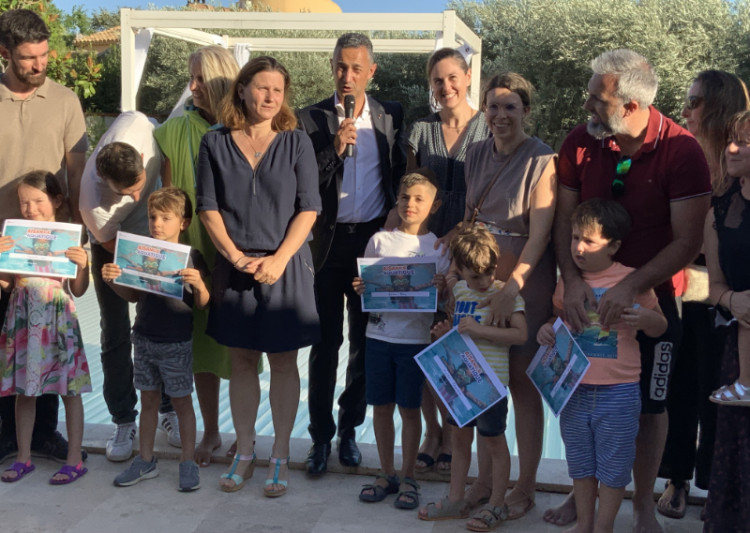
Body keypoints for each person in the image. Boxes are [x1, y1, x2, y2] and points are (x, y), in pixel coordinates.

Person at [549, 49, 711, 532]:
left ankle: (641, 504)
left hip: (653, 299)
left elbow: (689, 239)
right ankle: (584, 503)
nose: (587, 107)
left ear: (632, 106)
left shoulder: (683, 151)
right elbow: (565, 221)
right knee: (580, 401)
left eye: (598, 100)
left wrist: (632, 285)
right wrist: (573, 280)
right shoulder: (581, 142)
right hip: (585, 295)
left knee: (648, 404)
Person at [197, 56, 320, 497]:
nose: (270, 97)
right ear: (243, 90)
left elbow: (310, 207)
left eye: (278, 91)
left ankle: (281, 454)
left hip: (285, 268)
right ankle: (245, 452)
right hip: (235, 269)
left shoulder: (296, 143)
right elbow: (207, 207)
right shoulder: (214, 144)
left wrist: (280, 259)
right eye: (262, 88)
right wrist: (232, 256)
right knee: (243, 361)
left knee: (284, 362)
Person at [440, 71, 557, 519]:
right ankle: (484, 484)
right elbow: (471, 219)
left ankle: (523, 487)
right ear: (483, 109)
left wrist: (515, 287)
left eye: (511, 106)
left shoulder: (543, 159)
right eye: (493, 106)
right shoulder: (475, 154)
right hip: (478, 275)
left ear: (526, 110)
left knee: (523, 382)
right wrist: (456, 270)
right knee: (480, 375)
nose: (501, 114)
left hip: (521, 277)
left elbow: (540, 234)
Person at [298, 32, 406, 476]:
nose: (348, 76)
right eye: (341, 67)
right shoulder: (309, 119)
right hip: (326, 243)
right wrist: (335, 148)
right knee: (325, 345)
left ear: (371, 72)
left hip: (372, 243)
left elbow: (401, 175)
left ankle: (348, 432)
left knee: (365, 343)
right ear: (332, 67)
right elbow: (305, 181)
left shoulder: (391, 116)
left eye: (356, 68)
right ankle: (320, 438)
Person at [538, 198, 667, 533]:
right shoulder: (567, 281)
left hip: (618, 393)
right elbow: (558, 319)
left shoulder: (631, 281)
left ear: (614, 247)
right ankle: (585, 524)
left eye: (589, 241)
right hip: (572, 391)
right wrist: (546, 331)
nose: (578, 248)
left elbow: (661, 327)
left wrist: (644, 318)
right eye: (574, 238)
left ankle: (604, 526)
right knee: (580, 465)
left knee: (613, 468)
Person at [657, 70, 749, 519]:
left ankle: (715, 488)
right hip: (686, 290)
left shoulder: (739, 162)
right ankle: (676, 479)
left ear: (715, 107)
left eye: (694, 103)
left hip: (729, 297)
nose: (686, 111)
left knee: (721, 390)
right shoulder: (686, 156)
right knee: (680, 387)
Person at [0, 8, 87, 465]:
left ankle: (45, 436)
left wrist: (79, 238)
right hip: (3, 250)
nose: (39, 65)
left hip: (49, 254)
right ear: (5, 53)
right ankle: (7, 437)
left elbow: (76, 176)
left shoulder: (66, 100)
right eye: (28, 58)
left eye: (44, 55)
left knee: (48, 343)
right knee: (10, 347)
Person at [153, 45, 239, 467]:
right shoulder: (174, 131)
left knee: (242, 346)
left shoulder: (246, 128)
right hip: (193, 253)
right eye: (192, 77)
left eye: (201, 78)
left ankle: (247, 433)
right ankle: (210, 431)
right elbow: (168, 199)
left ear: (223, 78)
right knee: (202, 348)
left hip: (239, 250)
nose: (192, 87)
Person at [406, 46, 490, 477]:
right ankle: (432, 432)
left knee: (460, 350)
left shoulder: (488, 127)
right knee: (426, 347)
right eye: (438, 80)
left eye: (453, 77)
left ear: (468, 75)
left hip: (468, 256)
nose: (446, 87)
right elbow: (408, 191)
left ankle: (459, 436)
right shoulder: (420, 131)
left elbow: (490, 196)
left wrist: (459, 234)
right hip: (427, 252)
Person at [352, 169, 449, 510]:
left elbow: (447, 299)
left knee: (410, 409)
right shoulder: (379, 241)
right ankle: (386, 473)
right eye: (406, 197)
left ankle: (409, 476)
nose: (411, 204)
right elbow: (366, 285)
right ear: (397, 200)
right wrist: (362, 286)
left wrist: (442, 289)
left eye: (420, 199)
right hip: (378, 335)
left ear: (434, 206)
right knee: (380, 407)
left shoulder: (437, 247)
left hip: (415, 340)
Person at [419, 224, 527, 531]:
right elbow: (458, 328)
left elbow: (520, 334)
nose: (484, 281)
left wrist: (479, 330)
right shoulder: (461, 291)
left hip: (489, 387)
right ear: (461, 271)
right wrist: (445, 332)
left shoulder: (504, 293)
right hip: (461, 384)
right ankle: (455, 497)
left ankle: (496, 503)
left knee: (494, 444)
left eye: (488, 272)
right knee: (460, 441)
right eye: (475, 275)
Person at [79, 114, 172, 462]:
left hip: (155, 229)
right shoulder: (95, 204)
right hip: (113, 243)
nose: (135, 193)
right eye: (127, 191)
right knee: (116, 329)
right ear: (105, 181)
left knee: (161, 326)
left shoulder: (140, 127)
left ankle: (167, 409)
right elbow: (115, 249)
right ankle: (122, 419)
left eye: (138, 183)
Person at [102, 187, 208, 492]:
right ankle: (145, 460)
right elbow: (133, 296)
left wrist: (199, 283)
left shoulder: (191, 257)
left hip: (176, 342)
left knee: (182, 403)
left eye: (165, 217)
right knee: (148, 401)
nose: (157, 224)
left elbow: (203, 304)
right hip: (144, 338)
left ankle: (187, 462)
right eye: (152, 217)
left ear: (183, 222)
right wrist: (113, 281)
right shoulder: (141, 255)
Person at [0, 171, 91, 484]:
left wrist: (83, 265)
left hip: (57, 316)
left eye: (38, 200)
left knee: (70, 390)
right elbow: (6, 284)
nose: (30, 208)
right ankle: (24, 457)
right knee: (24, 390)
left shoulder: (70, 238)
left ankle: (75, 459)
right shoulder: (13, 237)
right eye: (24, 202)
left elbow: (78, 289)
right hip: (23, 318)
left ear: (56, 200)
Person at [703, 109, 750, 532]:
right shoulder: (720, 209)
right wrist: (733, 300)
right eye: (732, 139)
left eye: (745, 142)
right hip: (742, 351)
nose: (731, 148)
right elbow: (712, 286)